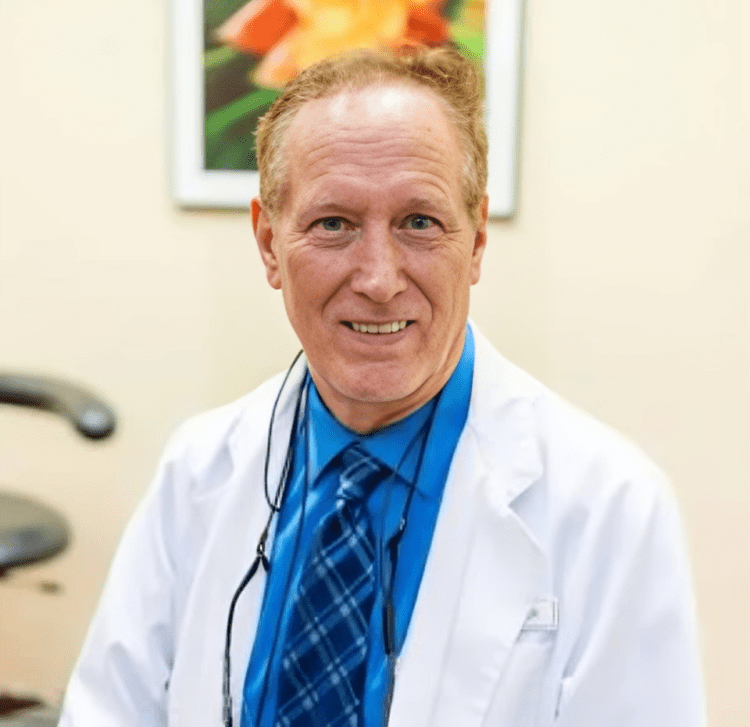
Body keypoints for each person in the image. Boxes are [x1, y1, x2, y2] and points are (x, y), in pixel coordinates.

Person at [59, 47, 705, 727]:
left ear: (477, 239)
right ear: (268, 243)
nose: (378, 278)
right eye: (332, 223)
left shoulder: (611, 508)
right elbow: (109, 710)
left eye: (419, 222)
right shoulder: (197, 470)